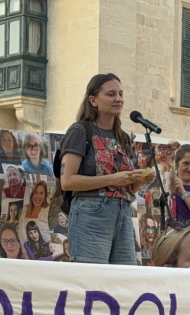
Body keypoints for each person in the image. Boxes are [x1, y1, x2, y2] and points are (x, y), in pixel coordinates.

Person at [59, 73, 154, 265]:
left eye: (120, 94)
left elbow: (124, 187)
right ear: (93, 100)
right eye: (111, 94)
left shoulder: (124, 137)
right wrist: (113, 179)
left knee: (123, 280)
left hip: (123, 212)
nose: (118, 99)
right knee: (91, 280)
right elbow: (67, 181)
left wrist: (139, 180)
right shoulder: (80, 130)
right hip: (90, 213)